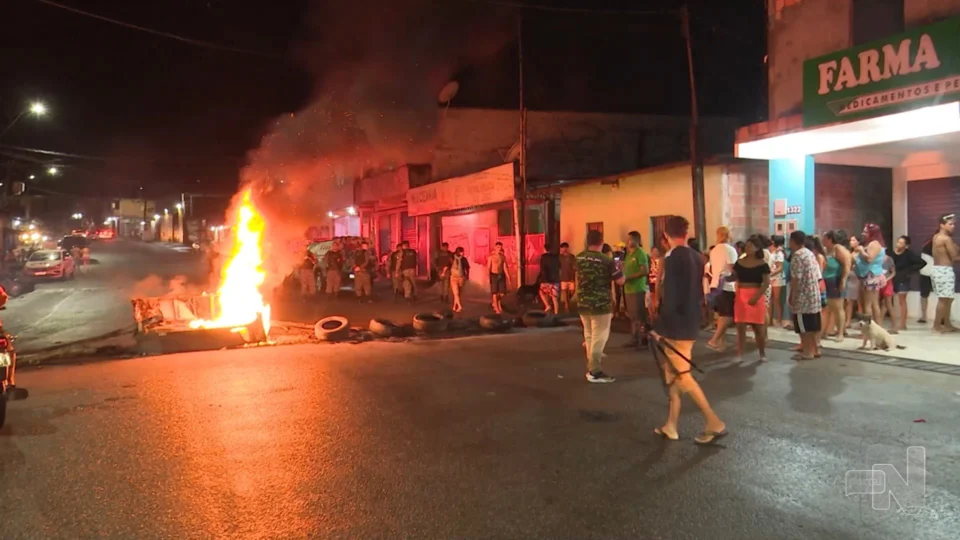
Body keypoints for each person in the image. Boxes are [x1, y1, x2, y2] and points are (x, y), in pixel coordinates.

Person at [650, 215, 726, 444]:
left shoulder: (672, 257)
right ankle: (671, 425)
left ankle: (713, 421)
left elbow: (672, 295)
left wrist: (659, 327)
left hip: (675, 326)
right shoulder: (697, 256)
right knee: (672, 375)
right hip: (691, 321)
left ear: (666, 235)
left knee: (682, 376)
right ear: (685, 233)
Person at [576, 229, 624, 383]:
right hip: (600, 304)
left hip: (583, 302)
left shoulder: (579, 258)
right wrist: (617, 259)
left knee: (589, 335)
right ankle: (594, 371)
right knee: (599, 338)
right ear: (601, 242)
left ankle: (591, 367)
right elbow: (620, 280)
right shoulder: (606, 260)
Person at [733, 235, 770, 361]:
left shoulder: (762, 264)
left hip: (756, 294)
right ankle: (740, 354)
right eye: (747, 245)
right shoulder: (739, 262)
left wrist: (756, 296)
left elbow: (766, 283)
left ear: (757, 248)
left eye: (751, 246)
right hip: (741, 293)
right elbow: (735, 277)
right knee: (740, 327)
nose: (748, 248)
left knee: (759, 327)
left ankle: (762, 353)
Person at [788, 231, 823, 360]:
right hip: (813, 293)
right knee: (813, 324)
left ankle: (807, 351)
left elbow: (796, 278)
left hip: (803, 295)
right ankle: (815, 349)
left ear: (793, 241)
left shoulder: (797, 255)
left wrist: (792, 294)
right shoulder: (809, 254)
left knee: (804, 326)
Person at [706, 227, 738, 351]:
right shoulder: (730, 250)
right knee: (728, 315)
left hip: (715, 284)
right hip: (726, 285)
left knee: (721, 314)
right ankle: (714, 340)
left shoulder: (714, 250)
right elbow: (732, 269)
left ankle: (721, 342)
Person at [853, 223, 887, 325]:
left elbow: (870, 258)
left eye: (866, 232)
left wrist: (861, 250)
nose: (863, 234)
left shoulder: (874, 244)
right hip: (871, 275)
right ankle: (878, 327)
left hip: (870, 275)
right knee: (874, 303)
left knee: (868, 304)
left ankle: (869, 328)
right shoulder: (874, 244)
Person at [931, 213, 959, 333]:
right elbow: (955, 257)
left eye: (954, 224)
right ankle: (936, 326)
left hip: (937, 269)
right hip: (944, 270)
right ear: (942, 225)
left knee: (948, 299)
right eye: (950, 224)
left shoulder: (936, 237)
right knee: (944, 299)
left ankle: (947, 324)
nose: (953, 226)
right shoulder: (946, 239)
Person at [821, 231, 851, 342]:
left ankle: (840, 333)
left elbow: (847, 265)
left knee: (838, 308)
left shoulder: (838, 249)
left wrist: (843, 280)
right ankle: (824, 331)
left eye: (824, 238)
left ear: (829, 239)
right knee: (827, 308)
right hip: (827, 280)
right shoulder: (825, 250)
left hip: (835, 279)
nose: (822, 240)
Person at [622, 231, 650, 348]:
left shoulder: (640, 253)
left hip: (638, 289)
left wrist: (629, 277)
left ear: (637, 240)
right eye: (627, 239)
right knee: (632, 315)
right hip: (628, 289)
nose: (628, 242)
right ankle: (635, 338)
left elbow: (644, 271)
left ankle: (642, 339)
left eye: (630, 239)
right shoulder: (628, 254)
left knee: (639, 315)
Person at [845, 233, 863, 331]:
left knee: (859, 301)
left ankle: (860, 321)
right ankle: (848, 321)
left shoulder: (861, 252)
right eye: (851, 240)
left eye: (854, 240)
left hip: (858, 278)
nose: (851, 242)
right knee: (849, 300)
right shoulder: (850, 253)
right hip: (850, 278)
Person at [768, 235, 786, 327]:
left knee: (776, 299)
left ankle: (779, 320)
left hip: (777, 278)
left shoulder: (779, 253)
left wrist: (770, 274)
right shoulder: (770, 251)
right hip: (770, 278)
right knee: (769, 299)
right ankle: (769, 320)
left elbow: (780, 267)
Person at [487, 242, 510, 314]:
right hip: (494, 275)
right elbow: (488, 267)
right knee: (494, 292)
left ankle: (497, 303)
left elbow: (505, 267)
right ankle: (496, 307)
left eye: (500, 248)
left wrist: (508, 276)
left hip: (501, 274)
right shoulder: (491, 257)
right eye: (497, 247)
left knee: (502, 293)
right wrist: (488, 277)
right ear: (495, 247)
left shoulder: (503, 257)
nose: (499, 249)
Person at [538, 244, 561, 314]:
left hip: (546, 280)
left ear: (545, 249)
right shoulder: (556, 257)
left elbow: (543, 269)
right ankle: (556, 313)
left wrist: (543, 279)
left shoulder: (543, 257)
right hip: (555, 279)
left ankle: (547, 306)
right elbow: (559, 267)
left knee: (541, 292)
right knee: (554, 297)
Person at [918, 236, 934, 323]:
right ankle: (924, 316)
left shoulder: (926, 244)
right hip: (929, 271)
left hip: (925, 271)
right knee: (924, 295)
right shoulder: (929, 244)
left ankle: (924, 316)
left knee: (924, 295)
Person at [449, 247, 470, 313]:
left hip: (461, 277)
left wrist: (467, 275)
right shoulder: (452, 258)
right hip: (453, 277)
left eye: (463, 251)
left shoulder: (464, 259)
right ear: (457, 252)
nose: (462, 253)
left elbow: (467, 268)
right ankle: (460, 306)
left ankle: (455, 305)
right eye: (461, 252)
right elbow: (448, 265)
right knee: (456, 292)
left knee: (458, 293)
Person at [558, 242, 577, 312]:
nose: (563, 249)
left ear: (567, 248)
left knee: (572, 291)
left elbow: (575, 265)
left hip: (571, 277)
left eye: (564, 247)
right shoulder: (560, 257)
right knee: (564, 291)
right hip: (563, 277)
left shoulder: (572, 257)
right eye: (562, 248)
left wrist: (575, 270)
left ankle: (567, 300)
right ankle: (566, 305)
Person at [648, 245, 661, 324]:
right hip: (650, 282)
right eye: (653, 251)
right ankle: (652, 317)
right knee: (650, 300)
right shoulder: (649, 261)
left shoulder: (660, 261)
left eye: (656, 251)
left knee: (656, 299)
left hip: (657, 282)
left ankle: (656, 316)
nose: (654, 253)